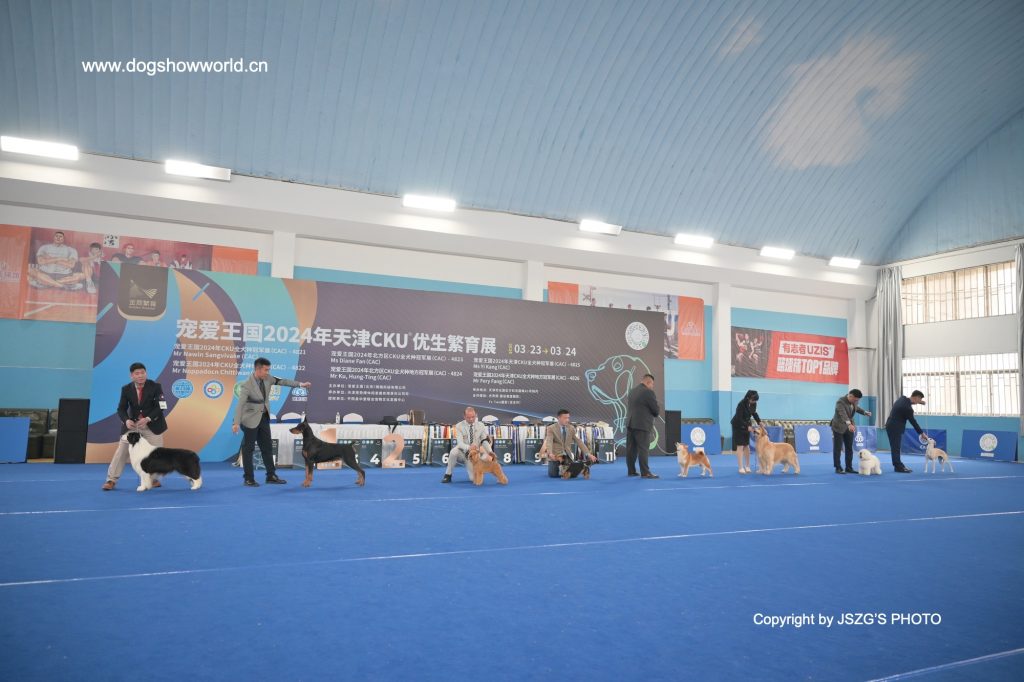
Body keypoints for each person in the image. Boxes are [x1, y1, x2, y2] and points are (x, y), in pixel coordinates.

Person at [232, 357, 311, 486]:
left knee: (267, 448)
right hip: (249, 419)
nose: (268, 372)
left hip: (264, 418)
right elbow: (240, 405)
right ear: (258, 369)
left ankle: (271, 476)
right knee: (248, 449)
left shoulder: (268, 378)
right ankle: (248, 478)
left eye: (268, 370)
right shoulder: (246, 385)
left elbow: (283, 381)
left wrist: (301, 384)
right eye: (266, 370)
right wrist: (235, 423)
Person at [101, 362, 168, 490]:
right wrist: (126, 420)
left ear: (146, 373)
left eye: (143, 372)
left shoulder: (156, 386)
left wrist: (148, 418)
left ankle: (152, 479)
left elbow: (162, 406)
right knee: (121, 451)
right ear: (131, 376)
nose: (140, 375)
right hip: (133, 426)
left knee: (156, 453)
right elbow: (121, 409)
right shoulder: (126, 389)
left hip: (153, 425)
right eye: (137, 373)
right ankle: (111, 480)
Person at [441, 406, 495, 483]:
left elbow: (484, 441)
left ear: (476, 415)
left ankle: (478, 471)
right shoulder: (459, 426)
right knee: (453, 452)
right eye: (468, 417)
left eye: (473, 417)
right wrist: (469, 447)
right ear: (464, 416)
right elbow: (460, 443)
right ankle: (448, 474)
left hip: (474, 455)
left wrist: (490, 452)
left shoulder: (481, 425)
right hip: (462, 452)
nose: (471, 419)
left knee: (473, 479)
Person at [625, 373, 660, 479]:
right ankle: (645, 472)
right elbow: (656, 410)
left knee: (631, 449)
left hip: (631, 423)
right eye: (652, 384)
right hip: (642, 425)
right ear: (649, 382)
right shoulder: (648, 392)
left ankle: (631, 471)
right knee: (643, 449)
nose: (652, 386)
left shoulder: (632, 391)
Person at [543, 409, 597, 478]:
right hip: (556, 457)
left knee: (572, 475)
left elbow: (579, 441)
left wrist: (588, 454)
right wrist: (550, 453)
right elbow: (549, 442)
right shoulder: (551, 428)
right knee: (554, 475)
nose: (567, 420)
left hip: (568, 457)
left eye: (568, 418)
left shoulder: (571, 428)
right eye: (565, 418)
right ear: (559, 418)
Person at [830, 389, 873, 474]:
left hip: (850, 427)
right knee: (838, 448)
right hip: (838, 426)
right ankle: (838, 467)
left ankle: (849, 467)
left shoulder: (854, 401)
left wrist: (864, 412)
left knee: (849, 448)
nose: (856, 401)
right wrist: (849, 424)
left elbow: (856, 408)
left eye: (857, 400)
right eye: (855, 400)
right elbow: (843, 414)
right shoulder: (840, 402)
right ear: (850, 396)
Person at [884, 390, 927, 473]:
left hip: (890, 424)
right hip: (895, 427)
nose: (919, 402)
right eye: (919, 399)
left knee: (895, 447)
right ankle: (898, 467)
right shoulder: (908, 409)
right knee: (896, 447)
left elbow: (909, 402)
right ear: (916, 397)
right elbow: (913, 422)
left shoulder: (902, 398)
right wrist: (921, 433)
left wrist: (920, 402)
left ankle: (898, 465)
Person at [731, 390, 761, 474]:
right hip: (738, 425)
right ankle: (740, 467)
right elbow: (739, 418)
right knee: (740, 446)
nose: (754, 402)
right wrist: (747, 426)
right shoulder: (741, 404)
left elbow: (754, 413)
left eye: (755, 400)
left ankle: (747, 466)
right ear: (748, 398)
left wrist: (759, 422)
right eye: (753, 400)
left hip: (747, 424)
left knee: (747, 445)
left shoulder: (754, 403)